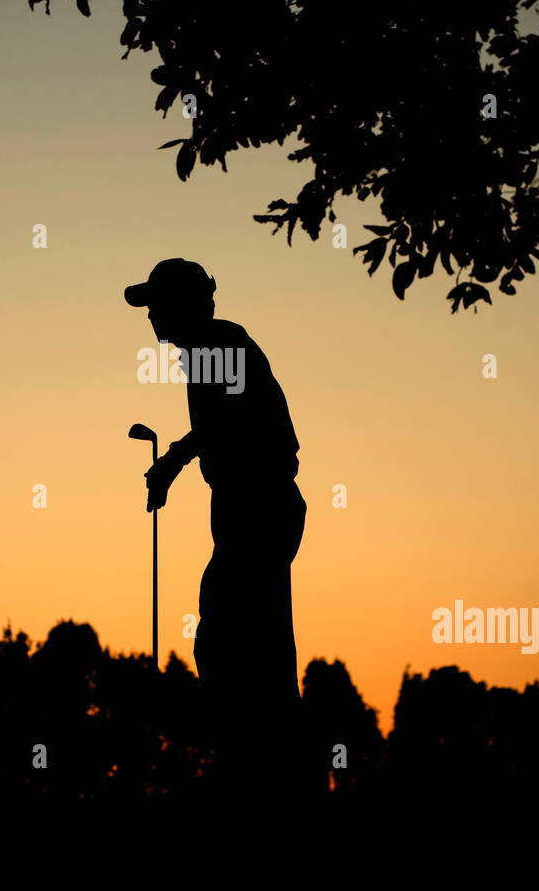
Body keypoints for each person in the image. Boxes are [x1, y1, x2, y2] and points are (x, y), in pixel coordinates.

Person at [125, 258, 319, 801]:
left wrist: (176, 461)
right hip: (253, 513)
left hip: (258, 511)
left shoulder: (216, 345)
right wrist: (177, 461)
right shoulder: (208, 349)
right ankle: (264, 772)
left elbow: (228, 425)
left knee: (236, 650)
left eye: (156, 305)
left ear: (184, 305)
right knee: (251, 651)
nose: (151, 317)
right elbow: (220, 424)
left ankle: (259, 778)